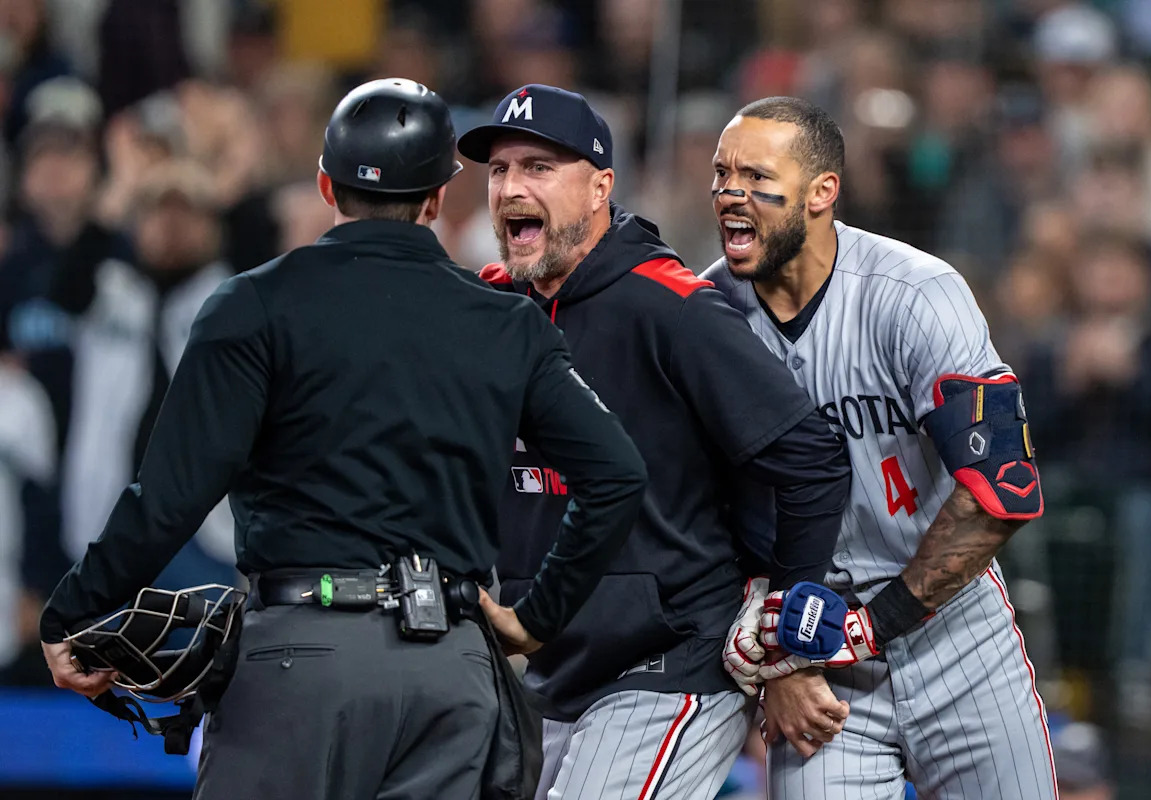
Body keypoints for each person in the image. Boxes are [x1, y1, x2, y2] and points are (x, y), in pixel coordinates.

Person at [38, 78, 649, 800]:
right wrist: (537, 617)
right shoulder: (506, 321)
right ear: (437, 198)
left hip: (299, 659)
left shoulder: (253, 304)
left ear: (327, 185)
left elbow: (170, 497)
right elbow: (617, 474)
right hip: (450, 665)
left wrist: (77, 607)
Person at [456, 84, 852, 800]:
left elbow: (813, 460)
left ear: (600, 187)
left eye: (539, 167)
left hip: (674, 660)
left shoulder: (667, 304)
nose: (511, 187)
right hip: (557, 668)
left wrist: (789, 640)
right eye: (500, 170)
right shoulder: (494, 311)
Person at [702, 96, 1056, 798]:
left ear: (821, 192)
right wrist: (780, 658)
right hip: (816, 660)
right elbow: (699, 507)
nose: (730, 194)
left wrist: (870, 627)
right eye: (721, 174)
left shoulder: (914, 294)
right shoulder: (705, 316)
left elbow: (1003, 488)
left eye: (756, 176)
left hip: (958, 638)